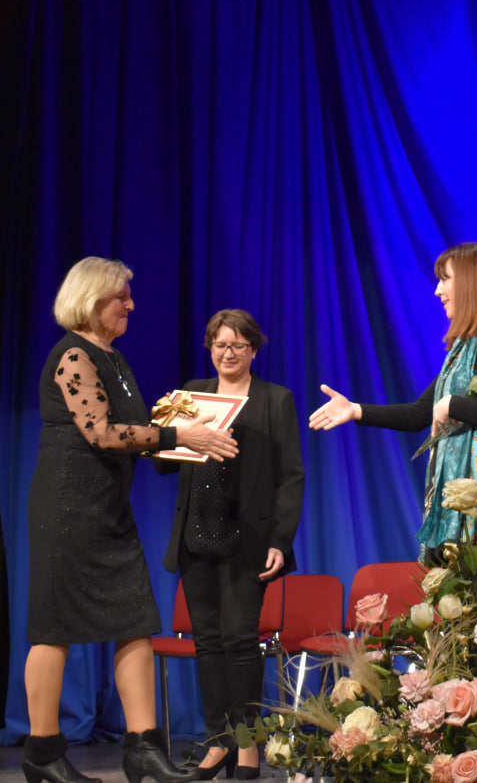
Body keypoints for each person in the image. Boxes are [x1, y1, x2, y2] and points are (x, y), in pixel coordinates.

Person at [22, 257, 237, 783]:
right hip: (68, 511)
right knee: (54, 627)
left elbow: (137, 429)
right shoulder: (73, 355)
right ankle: (43, 754)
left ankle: (143, 748)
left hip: (110, 511)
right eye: (122, 297)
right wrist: (178, 435)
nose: (131, 305)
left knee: (136, 621)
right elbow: (101, 433)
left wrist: (182, 422)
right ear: (92, 298)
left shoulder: (114, 360)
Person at [309, 241, 477, 550]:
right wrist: (355, 410)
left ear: (471, 282)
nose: (437, 291)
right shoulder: (465, 350)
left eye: (445, 279)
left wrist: (453, 405)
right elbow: (419, 413)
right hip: (466, 490)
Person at [156, 309, 304, 780]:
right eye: (220, 345)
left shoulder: (274, 400)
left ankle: (247, 747)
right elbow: (163, 462)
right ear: (210, 348)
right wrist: (164, 425)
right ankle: (217, 742)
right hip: (196, 535)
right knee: (207, 645)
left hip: (248, 541)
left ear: (253, 350)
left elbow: (291, 477)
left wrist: (281, 539)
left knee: (240, 641)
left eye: (238, 345)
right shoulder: (193, 394)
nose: (228, 353)